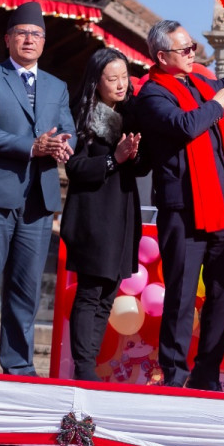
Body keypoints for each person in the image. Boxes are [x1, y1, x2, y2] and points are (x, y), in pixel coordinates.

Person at [134, 20, 224, 390]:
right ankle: (174, 374)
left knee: (222, 293)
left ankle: (207, 372)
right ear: (162, 56)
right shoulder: (152, 94)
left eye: (193, 47)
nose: (192, 54)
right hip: (184, 211)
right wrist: (216, 105)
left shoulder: (199, 83)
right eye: (184, 50)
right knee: (182, 297)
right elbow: (184, 125)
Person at [0, 2, 76, 375]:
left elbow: (67, 127)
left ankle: (19, 365)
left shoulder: (57, 86)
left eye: (37, 35)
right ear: (8, 39)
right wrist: (31, 146)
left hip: (39, 200)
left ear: (44, 42)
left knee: (25, 290)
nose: (29, 40)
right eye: (23, 34)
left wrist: (63, 144)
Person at [61, 48, 146, 381]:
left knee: (109, 291)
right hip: (94, 214)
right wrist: (114, 160)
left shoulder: (129, 115)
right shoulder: (82, 116)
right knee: (90, 290)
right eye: (113, 79)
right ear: (96, 82)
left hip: (122, 211)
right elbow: (76, 167)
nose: (121, 84)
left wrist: (135, 155)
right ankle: (83, 366)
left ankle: (89, 362)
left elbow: (137, 165)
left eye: (124, 77)